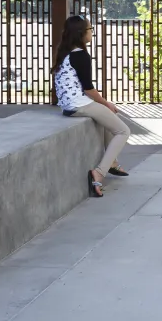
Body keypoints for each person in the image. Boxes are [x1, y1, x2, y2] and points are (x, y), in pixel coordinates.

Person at [52, 15, 131, 197]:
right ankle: (100, 173)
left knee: (110, 120)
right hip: (80, 105)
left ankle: (113, 162)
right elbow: (89, 90)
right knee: (123, 131)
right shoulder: (81, 55)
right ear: (81, 33)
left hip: (68, 106)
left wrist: (104, 106)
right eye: (90, 29)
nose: (92, 33)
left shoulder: (66, 52)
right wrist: (107, 103)